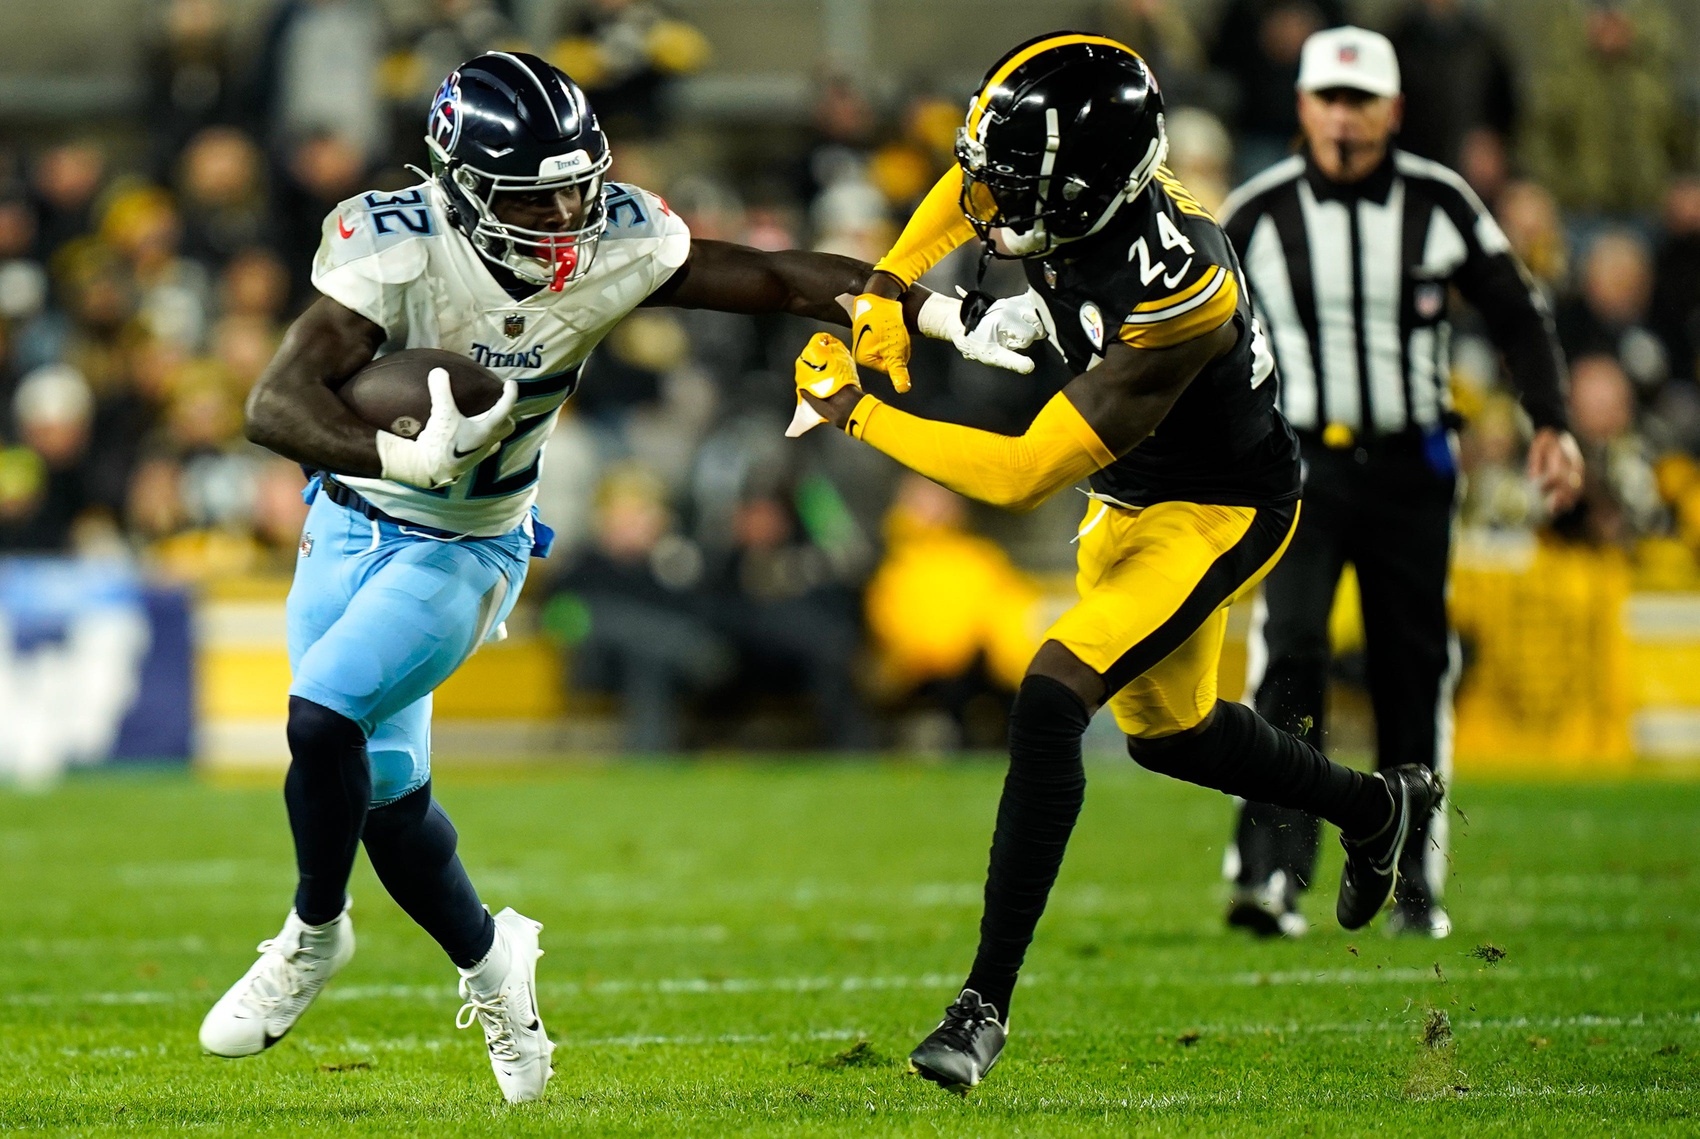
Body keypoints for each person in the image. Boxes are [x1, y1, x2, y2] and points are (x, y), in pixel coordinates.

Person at [200, 51, 942, 1103]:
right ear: (460, 188)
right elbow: (273, 403)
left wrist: (926, 308)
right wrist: (395, 456)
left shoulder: (610, 244)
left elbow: (775, 279)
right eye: (535, 194)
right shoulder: (395, 250)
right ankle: (494, 964)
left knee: (322, 719)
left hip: (467, 544)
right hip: (346, 522)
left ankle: (313, 933)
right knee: (387, 802)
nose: (565, 213)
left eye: (576, 185)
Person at [790, 32, 1443, 1091]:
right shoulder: (1071, 188)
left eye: (1018, 188)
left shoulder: (1181, 285)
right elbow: (965, 186)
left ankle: (980, 1005)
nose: (989, 203)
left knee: (1052, 693)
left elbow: (1020, 473)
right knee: (1168, 735)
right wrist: (885, 285)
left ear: (1089, 185)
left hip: (1214, 505)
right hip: (1131, 487)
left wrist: (853, 412)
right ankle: (1376, 807)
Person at [1216, 27, 1582, 939]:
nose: (1343, 117)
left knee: (1412, 667)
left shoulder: (1440, 200)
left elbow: (1515, 307)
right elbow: (1206, 342)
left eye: (1360, 100)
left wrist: (1553, 422)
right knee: (1290, 653)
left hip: (1415, 467)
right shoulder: (1257, 211)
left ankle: (1415, 880)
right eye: (1328, 99)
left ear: (1395, 109)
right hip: (1302, 465)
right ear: (1300, 105)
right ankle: (1270, 873)